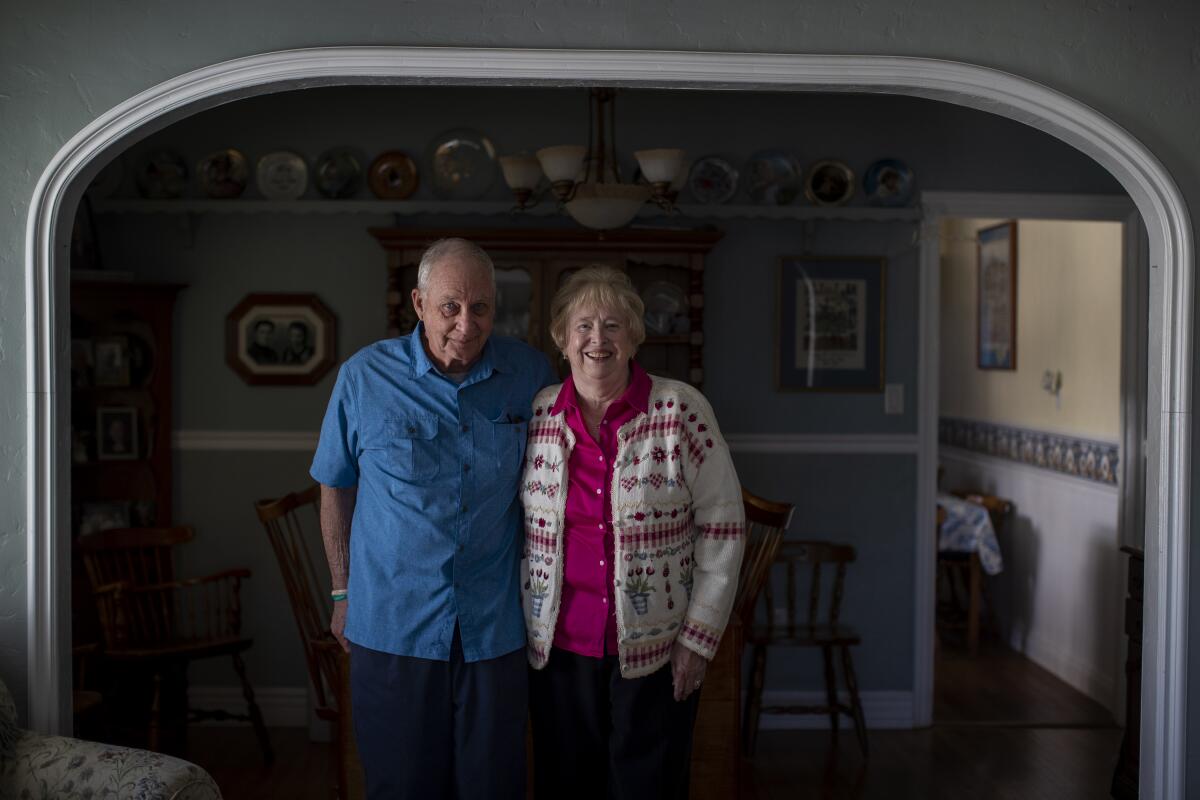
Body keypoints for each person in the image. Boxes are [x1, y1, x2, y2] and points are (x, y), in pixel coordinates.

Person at [310, 237, 556, 800]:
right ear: (419, 304)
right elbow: (334, 486)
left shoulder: (530, 373)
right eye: (450, 306)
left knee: (493, 786)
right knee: (402, 786)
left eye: (481, 307)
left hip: (493, 628)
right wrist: (342, 592)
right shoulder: (363, 378)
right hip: (392, 625)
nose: (466, 324)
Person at [521, 266, 745, 800]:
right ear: (561, 338)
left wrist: (697, 639)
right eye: (583, 326)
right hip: (558, 648)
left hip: (658, 648)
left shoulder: (679, 410)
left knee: (650, 785)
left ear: (634, 336)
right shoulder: (539, 414)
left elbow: (725, 525)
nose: (597, 339)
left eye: (612, 325)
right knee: (566, 784)